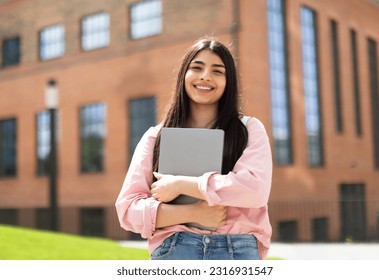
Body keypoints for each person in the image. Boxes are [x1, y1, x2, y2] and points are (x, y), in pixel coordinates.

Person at [115, 37, 273, 260]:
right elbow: (127, 210)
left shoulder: (249, 129)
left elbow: (255, 190)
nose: (206, 76)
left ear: (229, 82)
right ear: (183, 76)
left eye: (218, 71)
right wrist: (192, 212)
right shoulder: (155, 137)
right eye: (197, 67)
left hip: (236, 249)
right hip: (175, 248)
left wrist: (181, 184)